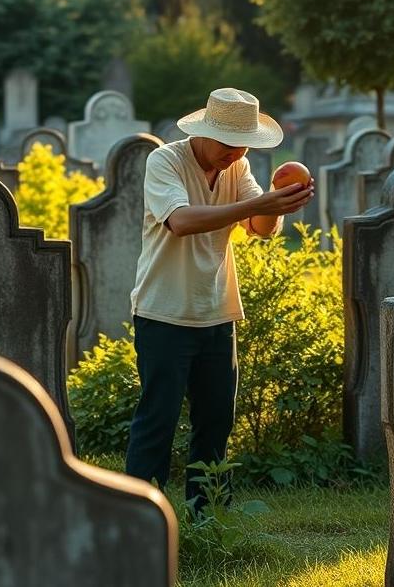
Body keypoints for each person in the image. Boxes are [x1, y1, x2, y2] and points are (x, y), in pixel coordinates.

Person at [125, 87, 314, 507]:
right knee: (157, 421)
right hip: (164, 312)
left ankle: (207, 513)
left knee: (215, 423)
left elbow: (260, 228)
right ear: (205, 133)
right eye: (228, 144)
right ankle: (138, 518)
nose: (235, 153)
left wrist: (278, 203)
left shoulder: (238, 166)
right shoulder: (165, 161)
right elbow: (181, 221)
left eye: (243, 144)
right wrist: (260, 203)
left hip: (217, 310)